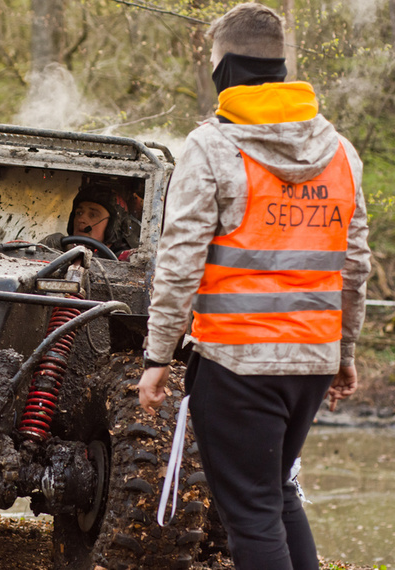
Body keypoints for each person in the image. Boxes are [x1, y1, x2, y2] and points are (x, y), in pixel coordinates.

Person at [137, 4, 371, 570]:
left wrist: (157, 355)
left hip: (238, 364)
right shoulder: (340, 151)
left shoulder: (213, 147)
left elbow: (179, 261)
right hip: (310, 363)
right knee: (277, 494)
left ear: (224, 69)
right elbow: (355, 264)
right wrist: (343, 352)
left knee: (251, 515)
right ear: (281, 69)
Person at [41, 186, 140, 259]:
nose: (81, 220)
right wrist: (45, 249)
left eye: (93, 215)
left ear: (114, 226)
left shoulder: (127, 259)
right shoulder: (61, 250)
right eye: (79, 213)